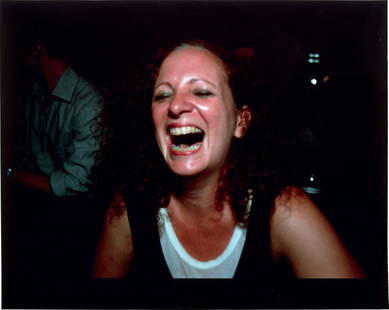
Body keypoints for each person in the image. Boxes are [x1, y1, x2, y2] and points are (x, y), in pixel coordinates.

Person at [92, 40, 364, 279]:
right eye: (163, 95)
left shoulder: (282, 211)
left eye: (202, 92)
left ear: (240, 121)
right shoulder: (126, 213)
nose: (175, 106)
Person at [7, 28, 104, 279]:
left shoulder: (89, 104)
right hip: (45, 211)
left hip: (80, 220)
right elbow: (34, 156)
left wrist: (9, 174)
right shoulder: (36, 95)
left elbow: (76, 183)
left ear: (38, 49)